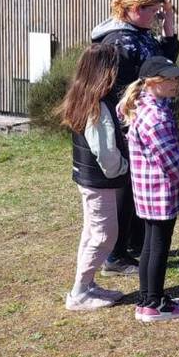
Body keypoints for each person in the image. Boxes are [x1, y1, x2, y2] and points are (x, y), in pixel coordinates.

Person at [91, 0, 179, 275]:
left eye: (158, 11)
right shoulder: (119, 40)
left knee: (135, 186)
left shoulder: (138, 32)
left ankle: (133, 245)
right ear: (132, 8)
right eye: (152, 12)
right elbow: (115, 88)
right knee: (126, 187)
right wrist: (128, 122)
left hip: (139, 120)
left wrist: (168, 25)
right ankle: (115, 255)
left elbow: (163, 66)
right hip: (127, 123)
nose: (155, 17)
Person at [117, 56, 179, 323]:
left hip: (147, 190)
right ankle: (153, 304)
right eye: (171, 78)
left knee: (151, 245)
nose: (177, 83)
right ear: (154, 82)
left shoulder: (148, 106)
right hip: (159, 191)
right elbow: (171, 158)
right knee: (158, 247)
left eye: (177, 77)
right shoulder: (156, 116)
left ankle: (148, 299)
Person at [59, 44, 128, 312]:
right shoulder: (97, 107)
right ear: (105, 71)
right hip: (99, 181)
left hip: (87, 179)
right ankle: (79, 293)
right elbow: (105, 152)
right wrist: (123, 166)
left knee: (91, 232)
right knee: (103, 235)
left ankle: (86, 285)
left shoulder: (82, 97)